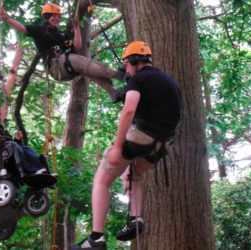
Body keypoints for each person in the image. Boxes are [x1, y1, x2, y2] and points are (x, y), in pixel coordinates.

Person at [72, 41, 182, 249]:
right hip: (162, 143)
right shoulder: (169, 80)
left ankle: (96, 238)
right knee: (133, 175)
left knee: (102, 180)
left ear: (132, 62)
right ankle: (135, 218)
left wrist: (117, 147)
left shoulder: (138, 80)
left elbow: (129, 110)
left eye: (126, 67)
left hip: (140, 136)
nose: (126, 71)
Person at [0, 3, 124, 102]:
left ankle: (112, 92)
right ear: (47, 17)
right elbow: (23, 28)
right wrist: (8, 19)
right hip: (57, 66)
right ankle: (117, 74)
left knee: (88, 70)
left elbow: (77, 46)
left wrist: (76, 29)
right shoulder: (40, 30)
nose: (56, 18)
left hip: (67, 66)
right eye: (53, 16)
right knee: (81, 61)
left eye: (58, 16)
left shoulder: (62, 35)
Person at [0, 101, 56, 187]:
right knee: (12, 145)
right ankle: (30, 171)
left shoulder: (0, 129)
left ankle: (39, 171)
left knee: (27, 149)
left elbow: (12, 147)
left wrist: (17, 140)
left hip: (5, 154)